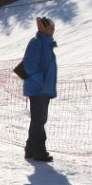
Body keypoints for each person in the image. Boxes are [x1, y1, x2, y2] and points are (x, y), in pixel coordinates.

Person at [22, 16, 58, 162]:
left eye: (53, 28)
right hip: (37, 88)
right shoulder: (37, 43)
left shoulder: (47, 44)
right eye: (50, 27)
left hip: (44, 88)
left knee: (38, 119)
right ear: (43, 28)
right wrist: (41, 81)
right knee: (39, 119)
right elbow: (30, 65)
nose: (53, 30)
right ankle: (39, 151)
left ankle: (30, 149)